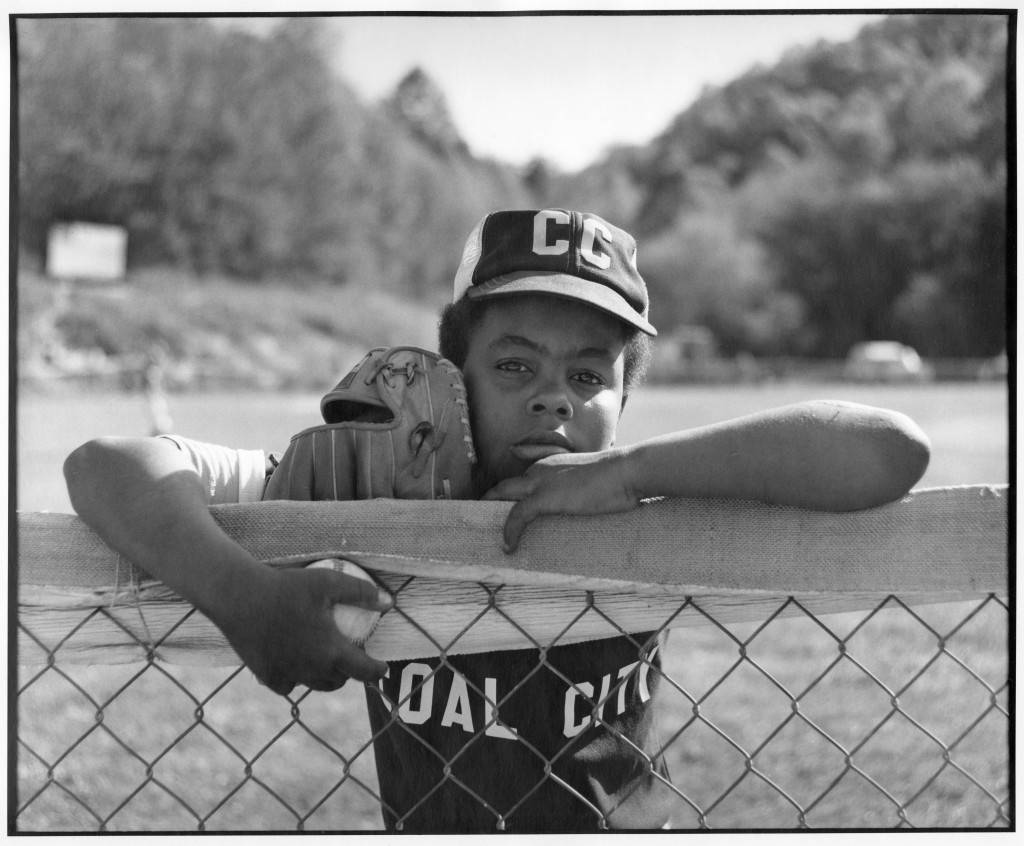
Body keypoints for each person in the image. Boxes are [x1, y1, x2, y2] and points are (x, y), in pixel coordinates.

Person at [63, 208, 931, 832]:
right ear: (453, 382)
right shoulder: (381, 490)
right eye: (515, 366)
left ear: (628, 397)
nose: (556, 396)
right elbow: (105, 465)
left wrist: (631, 473)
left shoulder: (655, 498)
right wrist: (242, 597)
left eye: (591, 377)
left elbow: (890, 449)